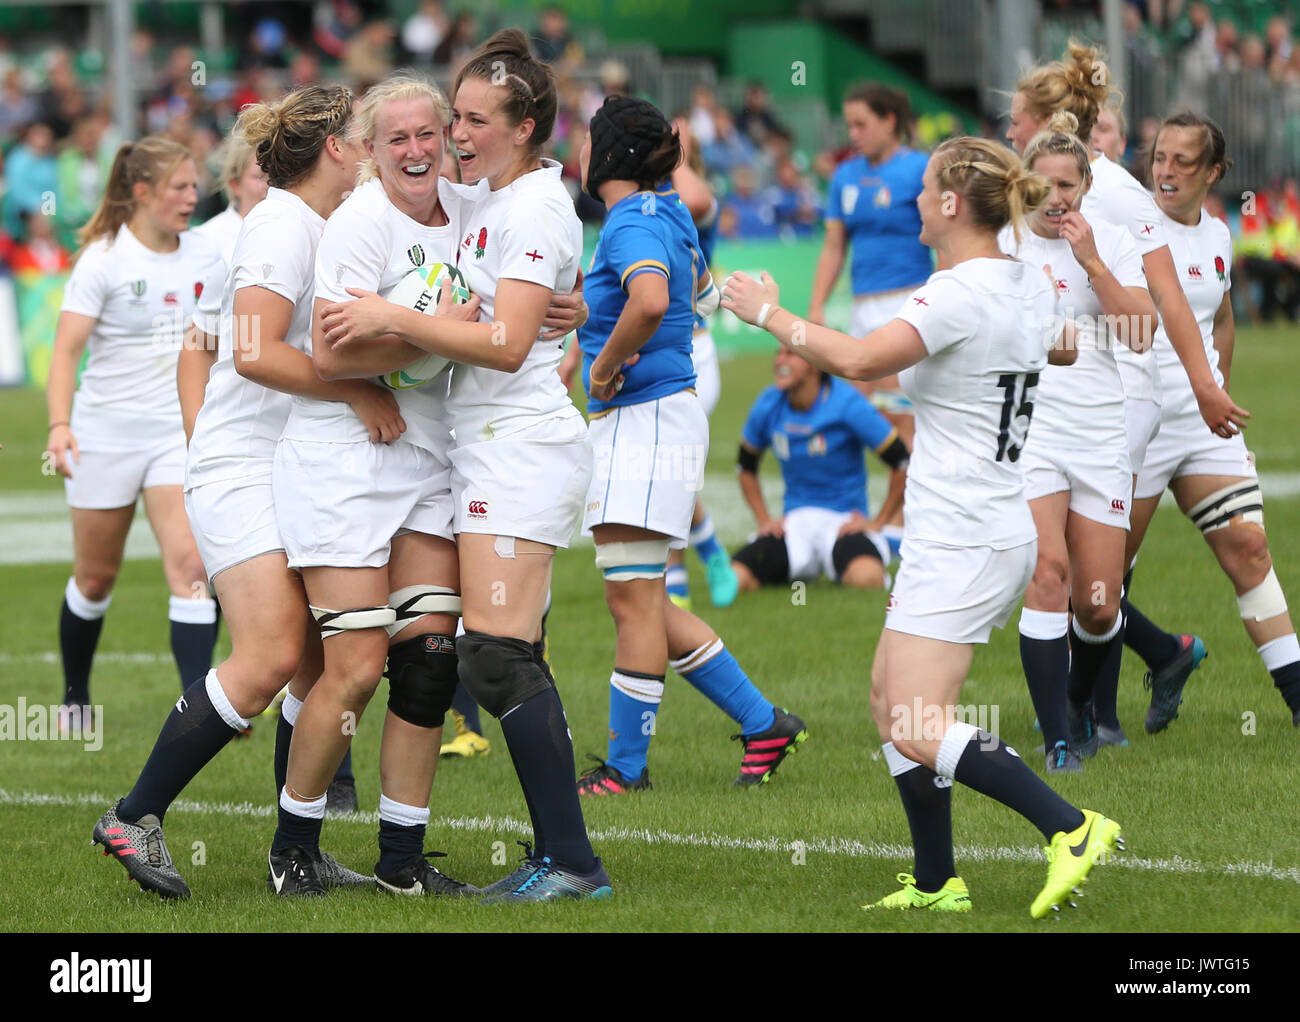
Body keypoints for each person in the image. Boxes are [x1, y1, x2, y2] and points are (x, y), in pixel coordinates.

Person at [723, 136, 1123, 918]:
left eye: (924, 186)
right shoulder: (1023, 279)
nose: (912, 198)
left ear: (948, 204)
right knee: (887, 700)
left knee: (913, 723)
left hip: (965, 532)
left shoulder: (959, 291)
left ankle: (1069, 826)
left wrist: (769, 313)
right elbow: (1064, 350)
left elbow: (865, 362)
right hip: (978, 523)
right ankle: (939, 881)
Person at [320, 29, 610, 902]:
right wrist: (578, 296)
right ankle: (559, 853)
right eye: (457, 118)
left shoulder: (527, 205)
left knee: (495, 656)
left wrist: (389, 319)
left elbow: (507, 339)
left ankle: (569, 861)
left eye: (476, 120)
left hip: (518, 446)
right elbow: (527, 297)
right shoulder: (493, 196)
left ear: (524, 127)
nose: (457, 136)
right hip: (483, 450)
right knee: (496, 653)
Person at [91, 85, 378, 900]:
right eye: (359, 139)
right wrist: (358, 391)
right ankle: (132, 814)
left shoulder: (320, 224)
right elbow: (249, 352)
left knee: (319, 660)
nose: (367, 153)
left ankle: (298, 853)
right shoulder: (281, 223)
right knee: (273, 657)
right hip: (242, 466)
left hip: (287, 463)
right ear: (331, 149)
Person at [264, 72, 488, 899]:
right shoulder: (357, 226)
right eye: (395, 138)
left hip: (427, 455)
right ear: (368, 150)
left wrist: (541, 310)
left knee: (429, 661)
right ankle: (295, 847)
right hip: (344, 460)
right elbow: (331, 358)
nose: (416, 150)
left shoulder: (472, 212)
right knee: (353, 666)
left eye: (428, 134)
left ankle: (401, 862)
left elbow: (495, 310)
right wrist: (435, 335)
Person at [1005, 42, 1250, 732]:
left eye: (1018, 121)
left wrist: (1206, 384)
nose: (1010, 134)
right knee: (1081, 571)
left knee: (1099, 572)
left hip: (1124, 395)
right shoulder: (1041, 200)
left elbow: (1167, 303)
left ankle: (1097, 707)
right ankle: (1102, 709)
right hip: (1088, 393)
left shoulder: (1109, 195)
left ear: (1053, 121)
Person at [572, 94, 807, 797]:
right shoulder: (667, 211)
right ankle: (764, 722)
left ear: (607, 156)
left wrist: (607, 364)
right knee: (643, 601)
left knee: (634, 605)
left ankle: (625, 771)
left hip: (642, 419)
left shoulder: (628, 223)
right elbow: (699, 298)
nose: (579, 155)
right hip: (661, 416)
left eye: (588, 142)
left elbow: (650, 300)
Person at [45, 136, 223, 736]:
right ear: (141, 192)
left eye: (195, 185)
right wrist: (60, 425)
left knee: (192, 565)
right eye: (178, 187)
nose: (191, 197)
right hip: (106, 435)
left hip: (176, 433)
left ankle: (198, 708)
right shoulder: (103, 258)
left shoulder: (206, 254)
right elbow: (65, 353)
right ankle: (74, 696)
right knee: (96, 578)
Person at [1127, 112, 1300, 728]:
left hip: (1204, 422)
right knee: (1100, 585)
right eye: (1159, 158)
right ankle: (1085, 710)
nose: (1165, 171)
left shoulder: (1220, 234)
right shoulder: (1129, 225)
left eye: (1182, 162)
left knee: (1250, 550)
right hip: (1133, 422)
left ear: (1213, 173)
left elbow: (1221, 318)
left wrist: (1215, 385)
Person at [1001, 112, 1155, 767]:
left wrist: (1090, 261)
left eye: (1068, 183)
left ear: (1087, 186)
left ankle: (1081, 704)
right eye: (1044, 181)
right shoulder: (1003, 247)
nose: (1057, 195)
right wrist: (1044, 343)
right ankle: (1060, 739)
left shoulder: (1111, 242)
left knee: (1098, 604)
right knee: (1048, 577)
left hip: (1099, 433)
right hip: (1031, 432)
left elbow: (1142, 331)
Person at [809, 83, 929, 444]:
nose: (853, 134)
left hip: (907, 304)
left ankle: (909, 499)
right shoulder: (844, 176)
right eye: (849, 126)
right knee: (858, 420)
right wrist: (816, 306)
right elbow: (834, 247)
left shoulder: (920, 169)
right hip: (862, 309)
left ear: (889, 121)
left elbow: (944, 235)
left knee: (900, 418)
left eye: (861, 124)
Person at [733, 346, 907, 593]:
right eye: (778, 354)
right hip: (795, 525)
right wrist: (764, 520)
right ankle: (804, 566)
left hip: (843, 523)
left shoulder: (847, 403)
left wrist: (878, 523)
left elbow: (902, 463)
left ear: (814, 364)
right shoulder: (768, 403)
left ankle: (883, 542)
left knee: (867, 578)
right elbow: (745, 467)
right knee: (737, 579)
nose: (780, 362)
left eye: (790, 354)